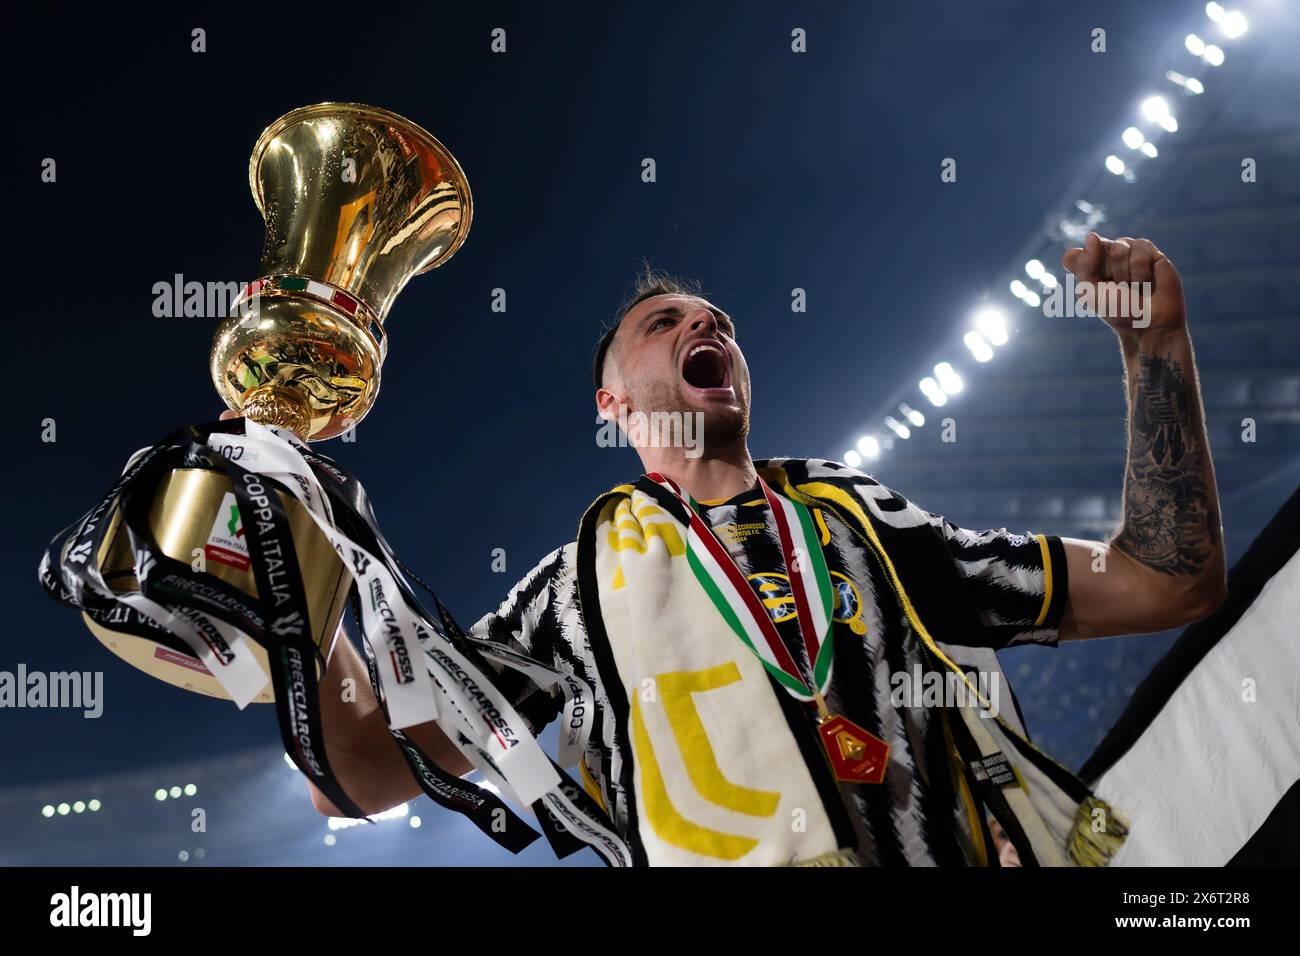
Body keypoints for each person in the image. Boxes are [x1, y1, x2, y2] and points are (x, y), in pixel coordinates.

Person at [281, 233, 1225, 866]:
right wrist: (298, 571)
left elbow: (1166, 582)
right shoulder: (573, 590)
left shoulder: (866, 523)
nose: (708, 325)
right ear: (610, 406)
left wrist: (1155, 349)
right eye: (666, 323)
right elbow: (359, 777)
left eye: (719, 322)